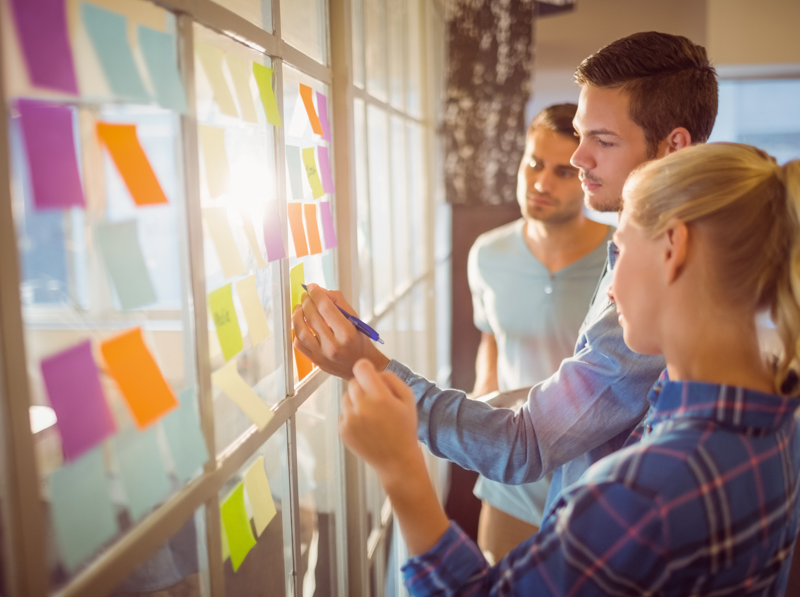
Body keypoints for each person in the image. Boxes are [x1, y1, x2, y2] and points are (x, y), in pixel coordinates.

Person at [340, 143, 800, 595]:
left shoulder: (644, 493)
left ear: (672, 248)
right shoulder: (780, 420)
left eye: (617, 252)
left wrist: (399, 467)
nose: (611, 290)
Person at [292, 31, 717, 512]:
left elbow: (526, 445)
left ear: (673, 146)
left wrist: (367, 367)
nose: (578, 159)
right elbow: (577, 392)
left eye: (603, 140)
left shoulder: (665, 275)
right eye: (581, 135)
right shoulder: (633, 245)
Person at [468, 103, 610, 560]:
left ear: (587, 175)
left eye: (563, 172)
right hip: (510, 468)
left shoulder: (621, 258)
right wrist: (482, 394)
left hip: (591, 476)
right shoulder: (486, 254)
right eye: (533, 163)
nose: (541, 183)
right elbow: (491, 337)